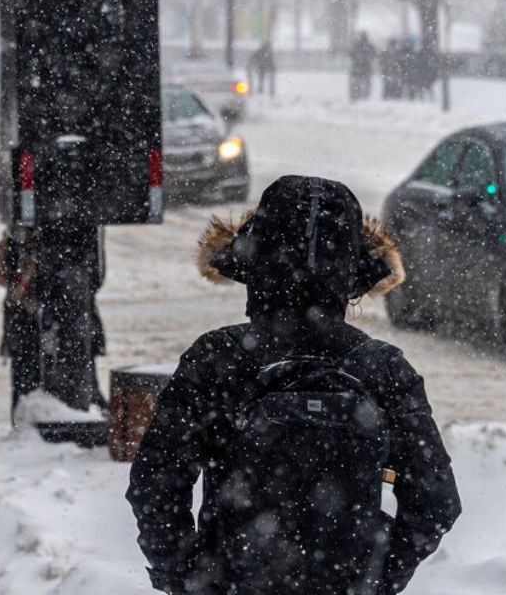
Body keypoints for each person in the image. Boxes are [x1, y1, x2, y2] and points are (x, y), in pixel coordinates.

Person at [128, 176, 461, 595]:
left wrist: (187, 577)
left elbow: (154, 483)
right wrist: (377, 577)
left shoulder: (217, 358)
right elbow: (435, 501)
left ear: (255, 262)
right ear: (351, 273)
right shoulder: (383, 369)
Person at [350, 32, 377, 101]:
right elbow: (374, 55)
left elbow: (351, 54)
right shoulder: (369, 46)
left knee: (356, 85)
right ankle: (364, 98)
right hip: (365, 69)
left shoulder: (356, 45)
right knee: (366, 85)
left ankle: (355, 97)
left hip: (357, 69)